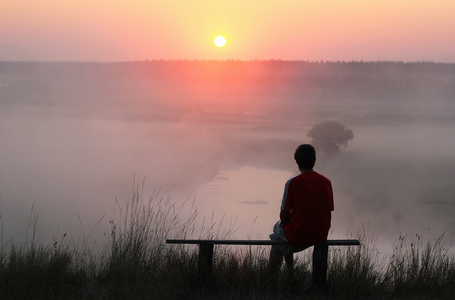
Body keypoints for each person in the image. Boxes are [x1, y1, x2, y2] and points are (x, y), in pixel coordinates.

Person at [268, 144, 334, 280]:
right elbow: (328, 209)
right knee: (283, 230)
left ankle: (272, 279)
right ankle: (291, 275)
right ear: (314, 160)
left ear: (297, 162)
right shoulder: (326, 182)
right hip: (321, 233)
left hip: (300, 236)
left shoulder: (292, 183)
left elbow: (283, 215)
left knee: (277, 233)